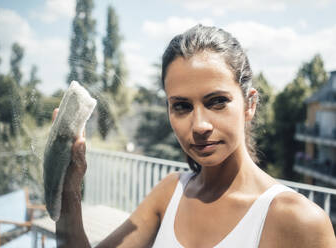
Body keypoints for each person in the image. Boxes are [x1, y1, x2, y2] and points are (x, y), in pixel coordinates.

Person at [55, 25, 336, 247]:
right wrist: (68, 186)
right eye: (182, 106)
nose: (200, 125)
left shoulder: (299, 220)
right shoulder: (169, 192)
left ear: (250, 104)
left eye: (217, 101)